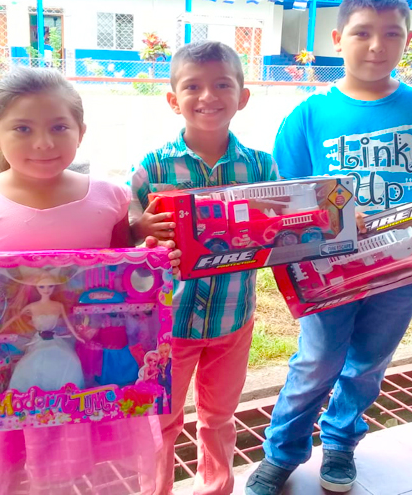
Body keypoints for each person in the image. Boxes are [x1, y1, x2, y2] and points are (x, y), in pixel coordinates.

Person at [0, 67, 178, 495]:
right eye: (22, 128)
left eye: (59, 127)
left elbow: (118, 280)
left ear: (81, 132)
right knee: (1, 471)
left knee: (74, 469)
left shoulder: (110, 197)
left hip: (87, 381)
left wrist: (152, 261)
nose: (43, 143)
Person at [246, 0, 412, 495]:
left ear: (407, 40)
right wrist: (328, 221)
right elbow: (285, 198)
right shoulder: (308, 115)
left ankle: (341, 441)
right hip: (328, 270)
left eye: (392, 34)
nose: (377, 45)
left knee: (368, 364)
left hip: (404, 268)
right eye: (362, 33)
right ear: (337, 39)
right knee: (317, 361)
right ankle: (282, 451)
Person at [129, 40, 278, 495]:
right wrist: (139, 229)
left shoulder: (261, 166)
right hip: (169, 325)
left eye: (222, 85)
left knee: (219, 416)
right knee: (161, 419)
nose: (208, 96)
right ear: (173, 99)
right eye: (192, 86)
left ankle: (216, 487)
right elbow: (124, 233)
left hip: (233, 319)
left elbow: (281, 225)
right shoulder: (151, 167)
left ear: (242, 96)